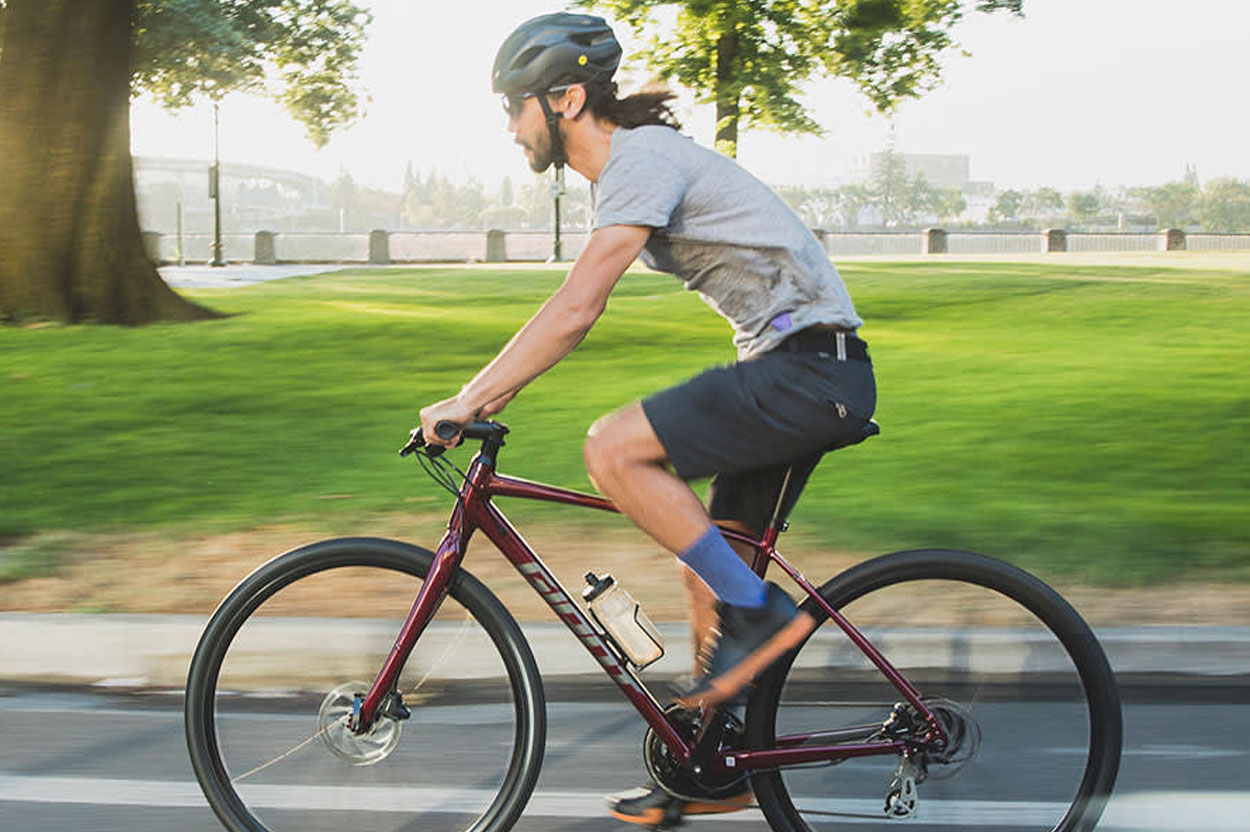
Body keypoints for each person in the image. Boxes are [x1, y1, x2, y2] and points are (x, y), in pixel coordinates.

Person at [418, 11, 876, 828]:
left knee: (614, 449)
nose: (508, 127)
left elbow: (577, 307)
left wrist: (470, 397)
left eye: (511, 107)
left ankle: (760, 617)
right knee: (706, 567)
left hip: (808, 372)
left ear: (561, 100)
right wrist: (486, 397)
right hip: (800, 371)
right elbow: (566, 316)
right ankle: (711, 766)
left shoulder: (638, 160)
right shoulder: (628, 170)